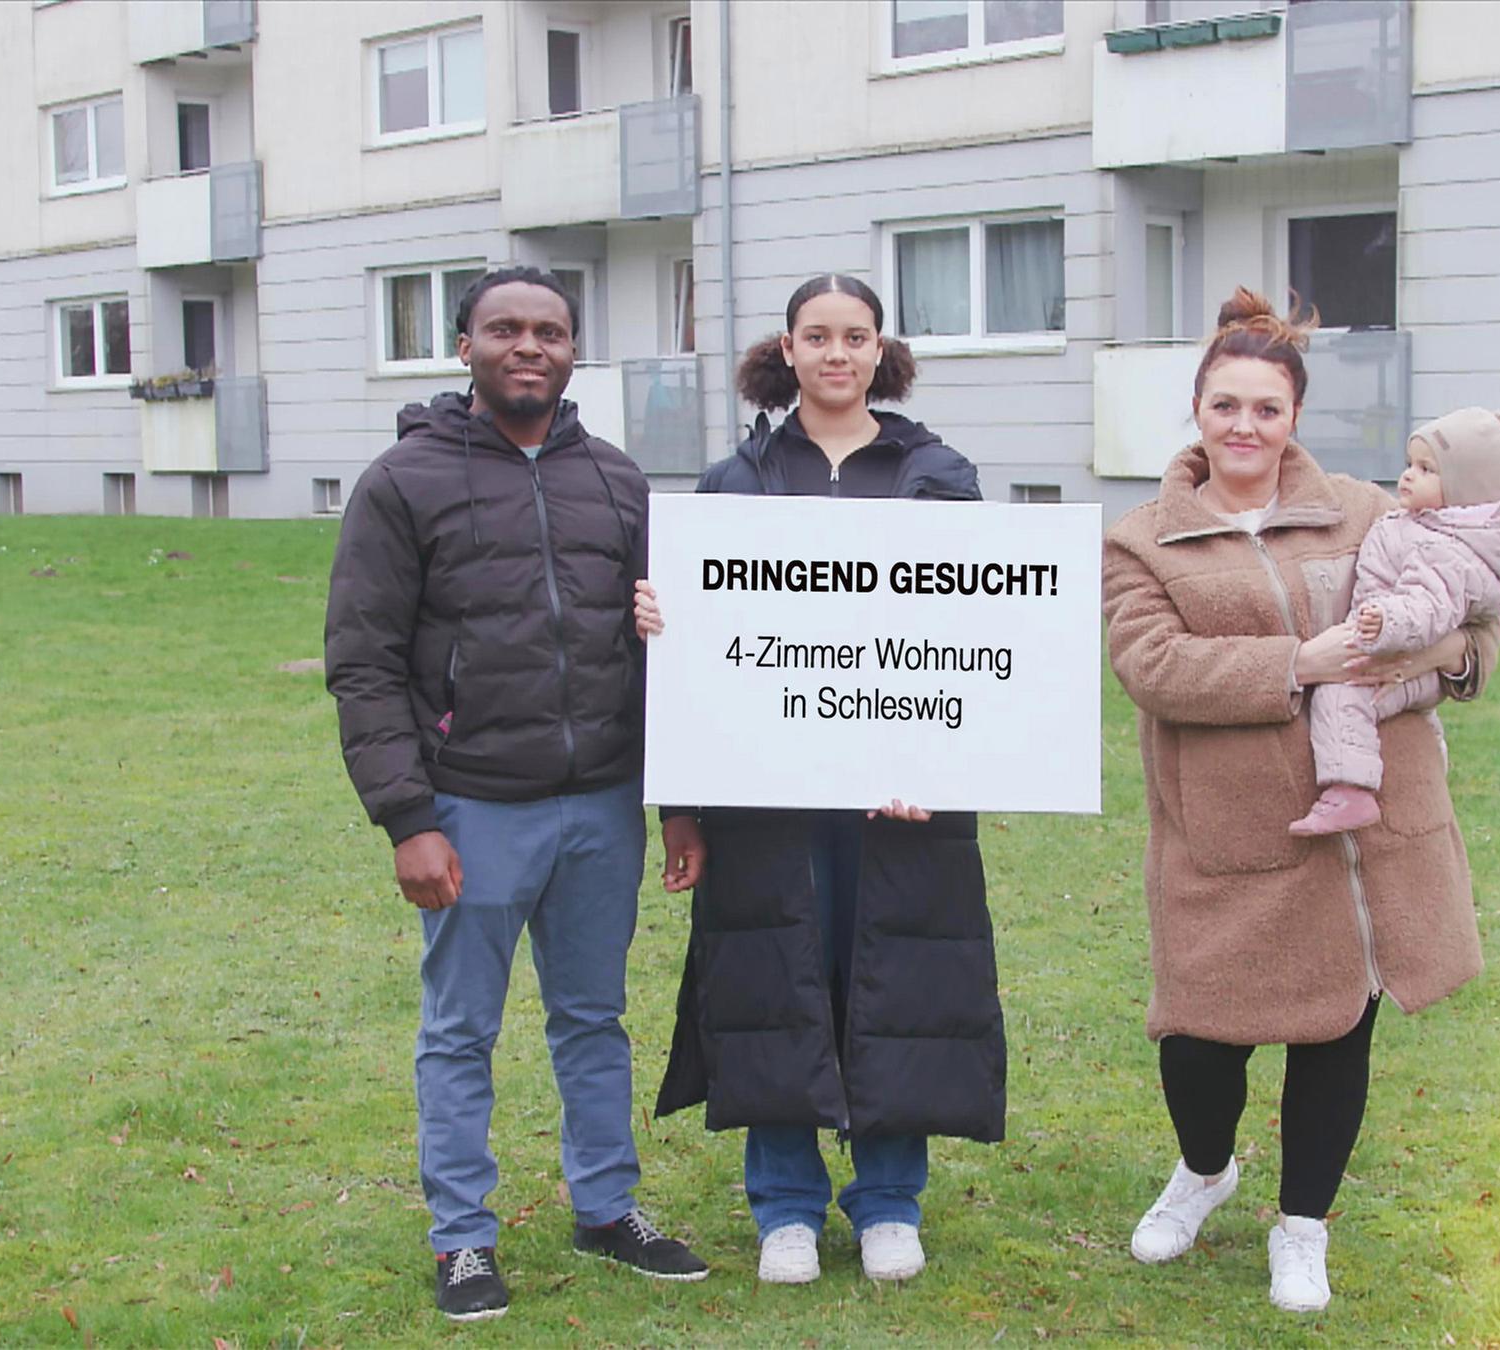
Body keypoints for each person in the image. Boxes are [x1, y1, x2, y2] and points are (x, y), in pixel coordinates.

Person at [1100, 287, 1500, 1314]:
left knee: (1337, 1032)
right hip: (1227, 839)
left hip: (1359, 839)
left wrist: (1440, 660)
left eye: (1266, 409)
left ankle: (1303, 1228)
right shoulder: (1142, 540)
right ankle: (1204, 1170)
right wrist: (1304, 659)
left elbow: (1476, 610)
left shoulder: (1368, 510)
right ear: (1197, 409)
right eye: (1225, 405)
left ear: (1294, 417)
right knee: (1199, 1040)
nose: (1245, 426)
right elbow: (1154, 667)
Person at [324, 265, 711, 1323]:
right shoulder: (403, 482)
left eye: (548, 329)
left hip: (601, 806)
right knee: (460, 1029)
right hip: (473, 807)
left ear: (574, 349)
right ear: (467, 347)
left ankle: (607, 1207)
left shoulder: (620, 482)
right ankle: (462, 1239)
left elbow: (664, 654)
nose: (527, 345)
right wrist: (408, 818)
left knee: (594, 1017)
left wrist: (676, 800)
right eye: (505, 329)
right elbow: (362, 662)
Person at [633, 273, 1006, 1287]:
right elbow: (697, 659)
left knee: (896, 975)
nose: (837, 354)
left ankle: (888, 1201)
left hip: (901, 793)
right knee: (775, 978)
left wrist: (937, 758)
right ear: (786, 350)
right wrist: (670, 633)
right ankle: (785, 1206)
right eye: (817, 337)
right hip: (766, 796)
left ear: (882, 350)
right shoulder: (732, 484)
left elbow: (976, 628)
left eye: (855, 337)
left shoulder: (937, 473)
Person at [1288, 406, 1500, 835]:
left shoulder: (1444, 548)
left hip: (1399, 644)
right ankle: (1430, 747)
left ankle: (1351, 789)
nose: (1409, 476)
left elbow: (1428, 606)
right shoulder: (1424, 526)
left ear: (1461, 489)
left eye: (1427, 469)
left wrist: (1384, 623)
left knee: (1342, 695)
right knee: (1387, 702)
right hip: (1401, 643)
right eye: (1410, 464)